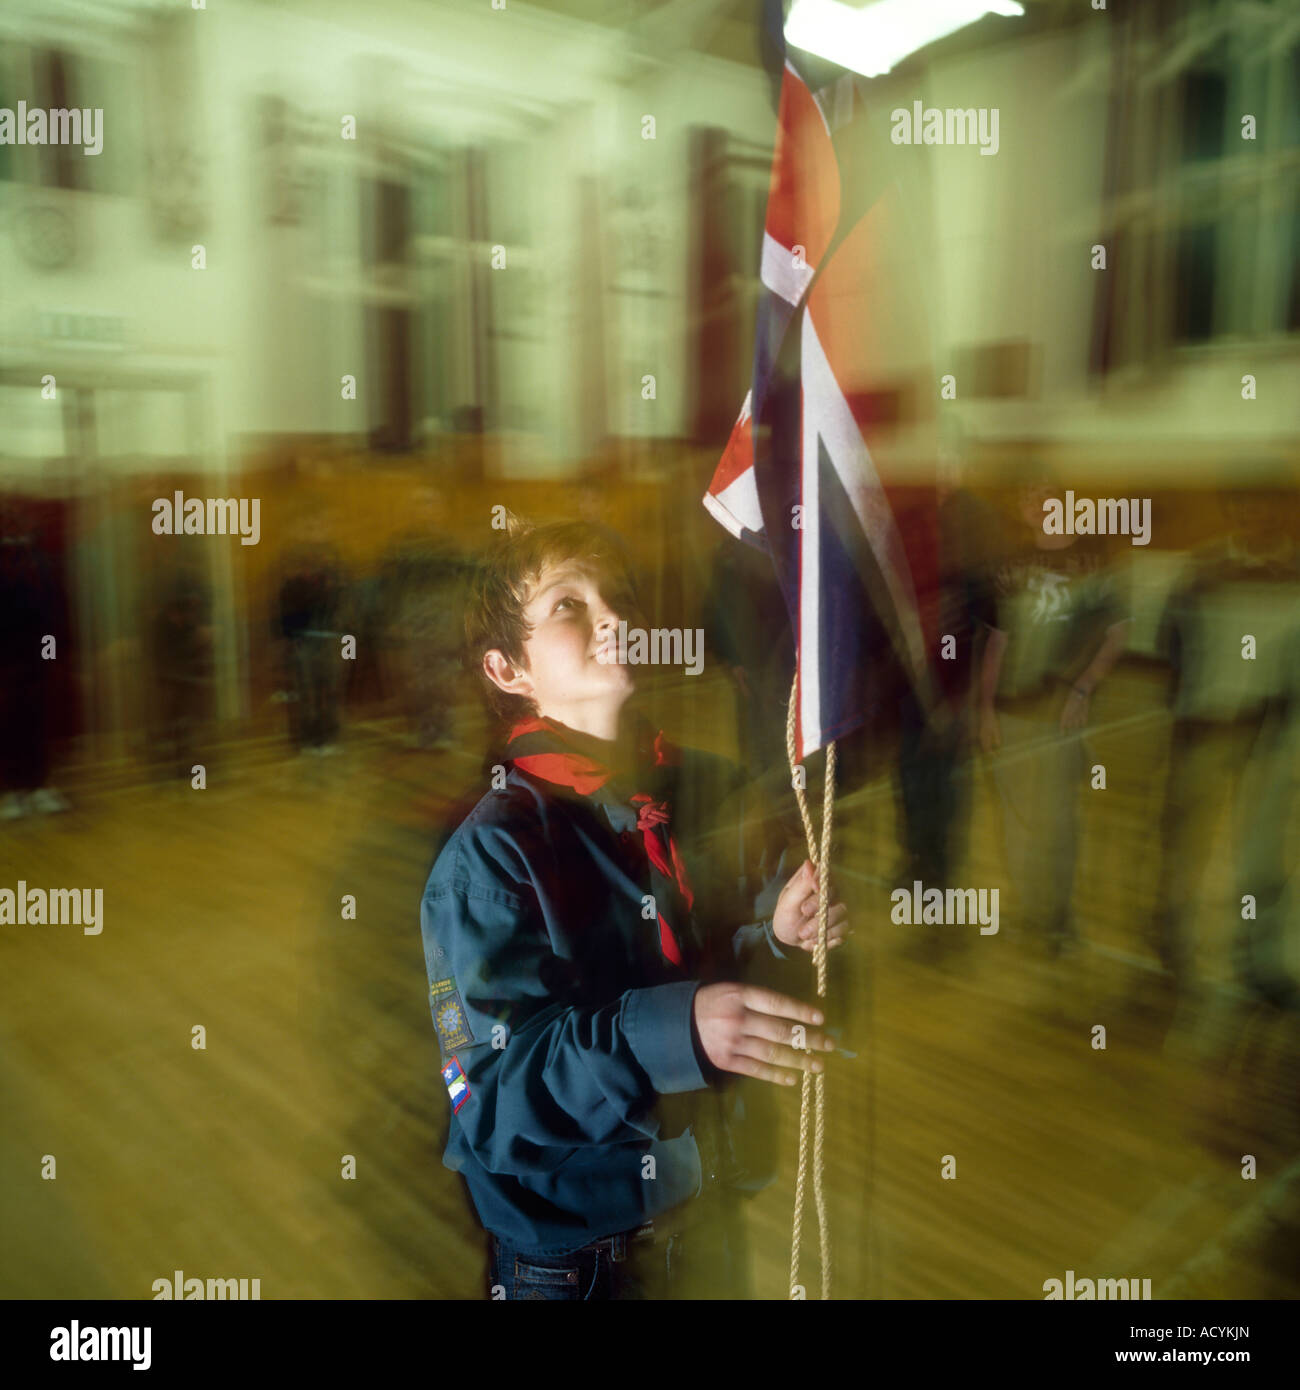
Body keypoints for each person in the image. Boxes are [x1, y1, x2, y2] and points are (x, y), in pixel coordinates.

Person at [419, 517, 848, 1300]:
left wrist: (786, 939)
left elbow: (750, 988)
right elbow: (492, 1101)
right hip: (577, 1270)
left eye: (616, 598)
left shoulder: (712, 791)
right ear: (508, 668)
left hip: (708, 1223)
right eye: (567, 606)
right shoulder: (491, 855)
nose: (613, 617)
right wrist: (672, 1030)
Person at [976, 466, 1130, 956]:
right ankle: (1032, 918)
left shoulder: (1094, 559)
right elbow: (996, 643)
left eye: (1045, 494)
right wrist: (985, 707)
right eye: (1027, 496)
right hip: (1012, 710)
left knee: (1058, 820)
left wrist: (1082, 690)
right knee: (1018, 821)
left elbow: (1116, 635)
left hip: (1058, 713)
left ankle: (1059, 921)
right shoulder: (1009, 564)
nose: (1036, 504)